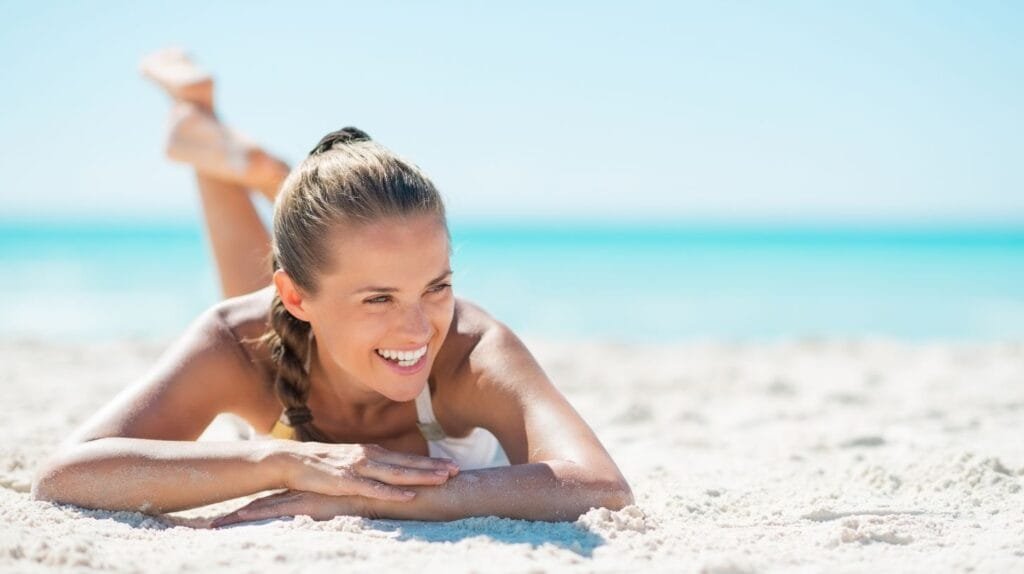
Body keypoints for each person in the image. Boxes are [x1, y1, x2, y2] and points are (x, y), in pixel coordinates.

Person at [30, 48, 633, 526]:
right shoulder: (234, 340)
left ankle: (241, 153)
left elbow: (600, 485)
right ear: (292, 297)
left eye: (437, 285)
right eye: (381, 298)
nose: (421, 328)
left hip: (301, 315)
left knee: (310, 282)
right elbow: (67, 475)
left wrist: (373, 496)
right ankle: (249, 162)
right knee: (262, 306)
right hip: (281, 330)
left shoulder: (471, 351)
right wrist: (286, 461)